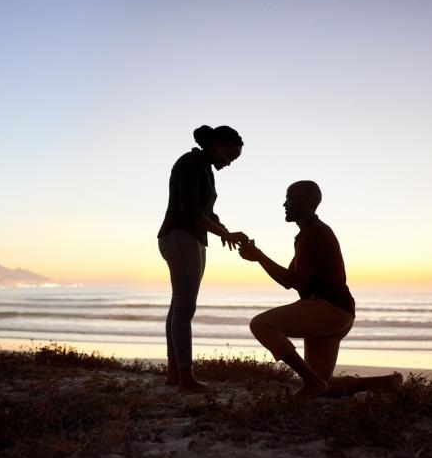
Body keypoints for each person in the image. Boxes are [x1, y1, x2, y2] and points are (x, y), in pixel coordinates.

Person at [238, 181, 401, 399]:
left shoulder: (315, 233)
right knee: (325, 385)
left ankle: (312, 381)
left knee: (260, 324)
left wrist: (259, 256)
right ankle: (384, 382)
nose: (284, 204)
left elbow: (294, 280)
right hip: (339, 314)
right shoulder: (309, 233)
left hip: (328, 310)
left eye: (290, 198)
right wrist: (259, 257)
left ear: (306, 201)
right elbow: (289, 281)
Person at [157, 125, 249, 393]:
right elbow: (190, 210)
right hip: (180, 236)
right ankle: (185, 377)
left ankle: (175, 373)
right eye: (230, 156)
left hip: (191, 238)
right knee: (185, 309)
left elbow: (207, 211)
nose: (229, 162)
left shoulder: (204, 169)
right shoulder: (191, 163)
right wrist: (224, 233)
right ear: (217, 144)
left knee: (179, 306)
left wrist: (226, 231)